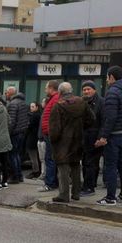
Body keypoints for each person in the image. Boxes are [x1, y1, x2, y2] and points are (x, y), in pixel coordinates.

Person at [49, 82, 95, 203]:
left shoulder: (58, 106)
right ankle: (76, 193)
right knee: (75, 165)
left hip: (62, 142)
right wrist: (80, 128)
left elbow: (55, 129)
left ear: (59, 92)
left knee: (63, 167)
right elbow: (91, 119)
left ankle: (64, 194)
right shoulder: (81, 102)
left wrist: (53, 140)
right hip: (77, 139)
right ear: (71, 90)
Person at [96, 66, 122, 205]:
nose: (106, 80)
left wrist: (104, 136)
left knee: (111, 166)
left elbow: (110, 117)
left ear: (112, 77)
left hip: (114, 136)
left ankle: (110, 197)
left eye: (107, 77)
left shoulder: (112, 92)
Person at [80, 80, 105, 197]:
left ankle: (89, 187)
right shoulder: (82, 102)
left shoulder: (101, 102)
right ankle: (89, 185)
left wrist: (100, 137)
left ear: (94, 90)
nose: (86, 91)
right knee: (86, 162)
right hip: (84, 138)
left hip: (95, 138)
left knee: (90, 163)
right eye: (84, 89)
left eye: (88, 89)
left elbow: (103, 122)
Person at [38, 80, 60, 192]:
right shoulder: (53, 99)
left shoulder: (55, 99)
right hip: (49, 133)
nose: (45, 90)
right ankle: (53, 182)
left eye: (46, 88)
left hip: (51, 134)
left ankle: (50, 183)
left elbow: (55, 117)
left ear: (51, 88)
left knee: (50, 158)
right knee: (50, 158)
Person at [5, 86, 29, 184]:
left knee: (12, 155)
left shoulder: (13, 104)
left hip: (15, 133)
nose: (5, 94)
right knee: (17, 155)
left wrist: (8, 133)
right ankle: (19, 175)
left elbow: (11, 121)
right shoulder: (23, 103)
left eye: (6, 92)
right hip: (22, 132)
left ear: (11, 93)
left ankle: (14, 176)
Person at [25, 101, 42, 179]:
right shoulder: (38, 115)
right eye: (30, 106)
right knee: (35, 156)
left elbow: (29, 127)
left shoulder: (34, 116)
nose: (31, 108)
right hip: (35, 138)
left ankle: (35, 171)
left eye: (33, 107)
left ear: (37, 107)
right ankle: (37, 171)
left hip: (32, 138)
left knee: (33, 157)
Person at [37, 98, 48, 180]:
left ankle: (44, 174)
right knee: (41, 158)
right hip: (40, 138)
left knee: (45, 158)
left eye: (43, 102)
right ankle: (42, 173)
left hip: (44, 139)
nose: (41, 103)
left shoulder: (47, 113)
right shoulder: (43, 112)